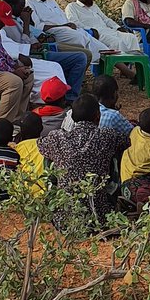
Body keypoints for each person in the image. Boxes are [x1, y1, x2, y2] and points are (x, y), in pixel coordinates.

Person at [39, 93, 129, 225]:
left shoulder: (57, 137)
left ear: (72, 117)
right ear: (98, 116)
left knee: (48, 155)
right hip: (100, 217)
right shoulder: (107, 136)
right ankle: (112, 195)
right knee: (117, 153)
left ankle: (53, 199)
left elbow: (40, 144)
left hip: (64, 219)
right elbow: (127, 141)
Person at [0, 0, 88, 102]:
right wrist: (26, 24)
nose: (23, 9)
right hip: (31, 56)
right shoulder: (6, 25)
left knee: (81, 55)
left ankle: (67, 95)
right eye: (20, 7)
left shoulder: (19, 19)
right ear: (11, 7)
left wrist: (34, 35)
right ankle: (65, 98)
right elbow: (21, 46)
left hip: (40, 49)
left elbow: (33, 38)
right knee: (75, 60)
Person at [26, 0, 107, 63]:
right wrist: (63, 25)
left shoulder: (51, 1)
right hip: (54, 31)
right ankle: (96, 60)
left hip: (68, 28)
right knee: (81, 39)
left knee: (97, 43)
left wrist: (70, 24)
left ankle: (109, 61)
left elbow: (63, 16)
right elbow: (38, 26)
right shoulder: (29, 2)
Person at [65, 0, 143, 67]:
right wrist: (90, 29)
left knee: (131, 38)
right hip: (95, 34)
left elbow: (106, 19)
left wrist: (117, 27)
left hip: (108, 30)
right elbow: (75, 22)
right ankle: (125, 68)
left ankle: (134, 65)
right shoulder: (72, 7)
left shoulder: (93, 6)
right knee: (117, 42)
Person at [14, 113, 47, 194]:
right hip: (43, 192)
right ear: (42, 128)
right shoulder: (47, 145)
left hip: (22, 192)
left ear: (21, 131)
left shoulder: (18, 148)